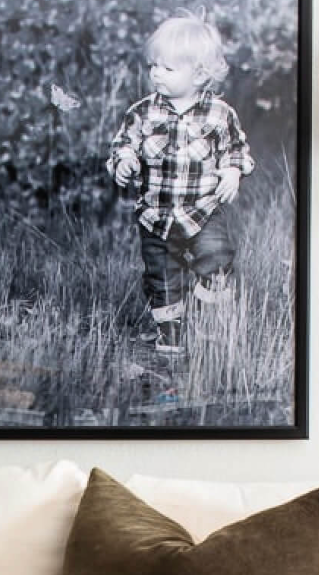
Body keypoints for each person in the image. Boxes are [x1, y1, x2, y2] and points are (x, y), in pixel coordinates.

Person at [108, 8, 254, 355]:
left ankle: (210, 323)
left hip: (203, 211)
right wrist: (125, 161)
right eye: (153, 66)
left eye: (167, 68)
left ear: (200, 74)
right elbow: (122, 145)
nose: (156, 73)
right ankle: (170, 332)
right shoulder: (143, 112)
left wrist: (233, 171)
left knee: (216, 259)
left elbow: (237, 150)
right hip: (156, 215)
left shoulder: (220, 114)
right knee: (161, 274)